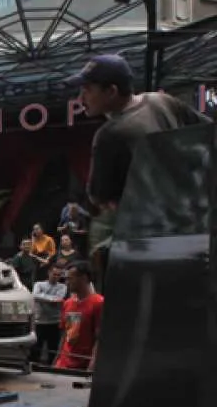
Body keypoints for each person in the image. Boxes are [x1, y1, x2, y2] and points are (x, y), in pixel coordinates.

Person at [65, 54, 210, 289]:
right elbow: (207, 132)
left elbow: (99, 196)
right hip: (195, 223)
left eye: (88, 90)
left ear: (111, 91)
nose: (81, 98)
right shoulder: (161, 101)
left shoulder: (109, 135)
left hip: (149, 239)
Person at [54, 261, 104, 372]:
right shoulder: (68, 303)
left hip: (82, 367)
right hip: (63, 364)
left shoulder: (98, 303)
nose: (67, 282)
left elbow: (99, 339)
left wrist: (91, 367)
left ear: (84, 278)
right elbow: (65, 335)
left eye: (70, 279)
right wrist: (56, 360)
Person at [31, 265, 67, 365]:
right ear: (49, 273)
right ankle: (33, 366)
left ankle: (51, 367)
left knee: (53, 349)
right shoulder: (39, 284)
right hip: (39, 321)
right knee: (36, 348)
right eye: (54, 274)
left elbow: (59, 299)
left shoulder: (63, 287)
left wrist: (42, 297)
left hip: (54, 322)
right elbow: (34, 295)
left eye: (58, 275)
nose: (56, 277)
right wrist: (51, 299)